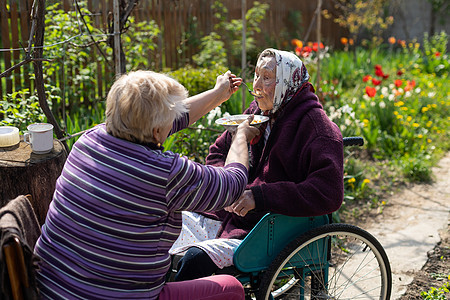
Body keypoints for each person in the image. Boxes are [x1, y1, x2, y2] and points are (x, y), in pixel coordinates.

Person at [33, 70, 260, 300]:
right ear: (157, 130)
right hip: (113, 296)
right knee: (231, 289)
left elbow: (165, 121)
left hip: (50, 288)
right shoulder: (166, 172)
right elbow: (233, 184)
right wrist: (239, 135)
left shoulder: (89, 141)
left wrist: (217, 94)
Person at [170, 48, 344, 281]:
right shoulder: (257, 113)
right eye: (256, 75)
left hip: (267, 231)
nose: (257, 86)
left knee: (194, 260)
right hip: (230, 217)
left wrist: (259, 197)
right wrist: (228, 188)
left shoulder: (317, 128)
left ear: (286, 82)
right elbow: (217, 153)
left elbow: (327, 193)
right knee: (165, 226)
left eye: (267, 77)